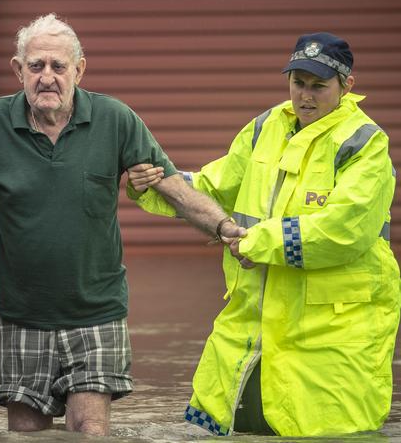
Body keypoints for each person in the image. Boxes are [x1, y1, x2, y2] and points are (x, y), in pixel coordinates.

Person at [0, 13, 245, 436]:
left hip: (97, 311)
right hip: (22, 314)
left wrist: (225, 228)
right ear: (18, 71)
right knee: (26, 433)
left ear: (79, 70)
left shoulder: (116, 119)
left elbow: (173, 188)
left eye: (58, 67)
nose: (47, 77)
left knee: (89, 429)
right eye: (36, 66)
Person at [127, 32, 401, 436]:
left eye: (319, 87)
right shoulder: (265, 128)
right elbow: (214, 186)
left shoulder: (364, 143)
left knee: (332, 430)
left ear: (347, 87)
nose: (305, 96)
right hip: (252, 321)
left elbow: (346, 229)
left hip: (333, 332)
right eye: (298, 83)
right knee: (223, 425)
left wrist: (258, 241)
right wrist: (159, 182)